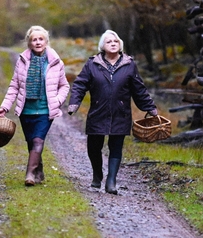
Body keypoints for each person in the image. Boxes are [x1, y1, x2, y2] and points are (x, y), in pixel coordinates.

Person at [67, 30, 158, 194]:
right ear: (103, 46)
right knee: (94, 146)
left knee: (116, 146)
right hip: (98, 111)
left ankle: (111, 181)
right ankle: (97, 174)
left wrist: (150, 108)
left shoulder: (129, 64)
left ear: (120, 44)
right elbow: (80, 84)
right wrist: (74, 103)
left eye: (116, 41)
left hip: (120, 112)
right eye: (109, 41)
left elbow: (139, 89)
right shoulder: (92, 64)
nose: (113, 43)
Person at [0, 25, 70, 186]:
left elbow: (64, 86)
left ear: (46, 41)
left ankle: (29, 174)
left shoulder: (55, 62)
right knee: (31, 142)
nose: (37, 42)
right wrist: (5, 106)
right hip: (26, 110)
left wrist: (57, 101)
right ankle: (39, 170)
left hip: (45, 110)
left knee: (38, 141)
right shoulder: (22, 61)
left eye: (40, 39)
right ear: (29, 43)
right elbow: (14, 85)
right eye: (34, 39)